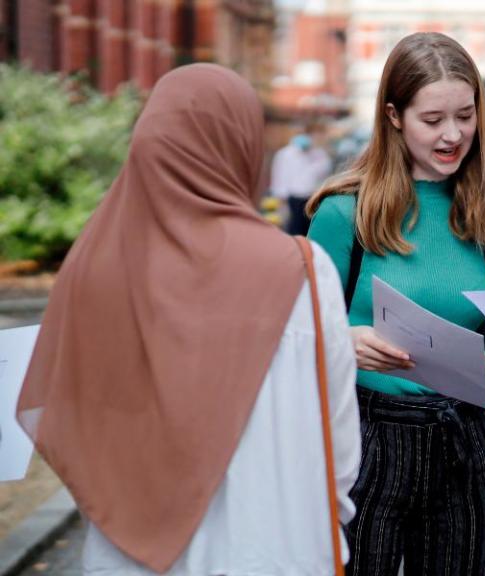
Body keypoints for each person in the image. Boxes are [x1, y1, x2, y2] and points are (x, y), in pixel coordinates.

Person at [16, 64, 361, 575]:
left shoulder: (94, 269)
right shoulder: (303, 272)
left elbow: (59, 415)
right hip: (273, 545)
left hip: (127, 553)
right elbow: (339, 440)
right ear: (243, 145)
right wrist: (325, 520)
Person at [306, 32, 485, 576]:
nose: (453, 135)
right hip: (366, 442)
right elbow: (294, 343)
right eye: (433, 120)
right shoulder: (341, 215)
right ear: (394, 116)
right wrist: (344, 342)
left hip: (464, 442)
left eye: (466, 116)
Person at [270, 122, 333, 235]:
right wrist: (281, 201)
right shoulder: (286, 153)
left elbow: (324, 173)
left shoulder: (320, 154)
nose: (317, 138)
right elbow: (279, 178)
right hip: (294, 199)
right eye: (315, 134)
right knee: (295, 232)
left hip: (314, 198)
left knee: (311, 233)